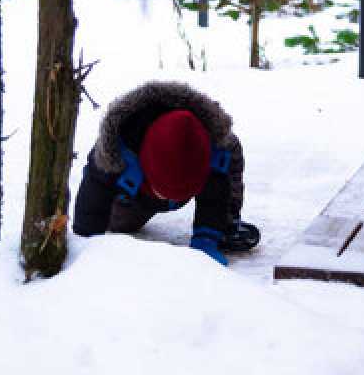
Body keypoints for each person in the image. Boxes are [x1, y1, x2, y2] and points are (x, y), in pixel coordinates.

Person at [72, 81, 259, 265]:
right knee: (120, 224)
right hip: (133, 196)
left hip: (191, 171)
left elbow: (215, 194)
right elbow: (91, 202)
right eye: (164, 192)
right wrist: (87, 245)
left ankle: (225, 225)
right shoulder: (116, 153)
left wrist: (207, 238)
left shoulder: (210, 147)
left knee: (229, 150)